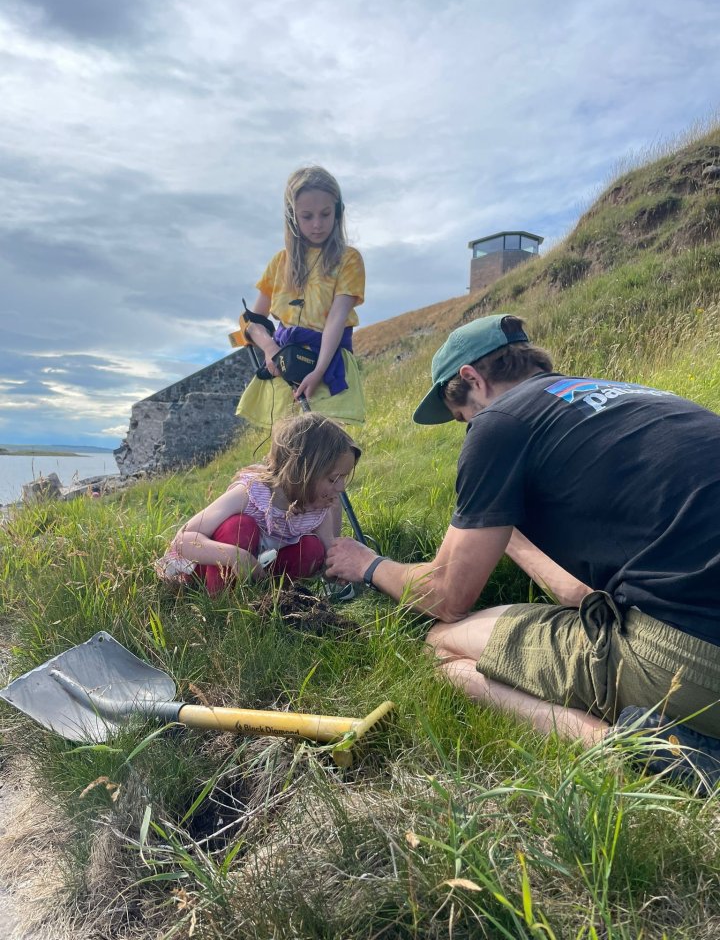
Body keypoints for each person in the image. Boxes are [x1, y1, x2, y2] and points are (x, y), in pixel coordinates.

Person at [325, 313, 720, 787]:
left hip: (695, 660)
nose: (467, 427)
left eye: (460, 416)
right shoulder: (635, 397)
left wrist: (367, 564)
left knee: (440, 648)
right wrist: (502, 528)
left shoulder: (499, 424)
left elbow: (446, 596)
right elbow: (582, 592)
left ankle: (635, 750)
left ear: (472, 379)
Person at [155, 413, 360, 595]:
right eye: (333, 478)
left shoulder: (319, 505)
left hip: (261, 572)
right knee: (239, 526)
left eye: (343, 478)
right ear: (302, 472)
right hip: (209, 568)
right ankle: (222, 605)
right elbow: (182, 541)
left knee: (311, 548)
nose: (341, 487)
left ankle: (270, 598)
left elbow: (327, 552)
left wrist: (339, 568)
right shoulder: (251, 493)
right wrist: (237, 557)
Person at [231, 165, 366, 428]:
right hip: (285, 366)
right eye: (307, 216)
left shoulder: (349, 260)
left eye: (326, 214)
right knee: (287, 453)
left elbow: (336, 321)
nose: (317, 224)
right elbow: (252, 321)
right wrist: (270, 348)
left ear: (338, 213)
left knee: (328, 453)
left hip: (328, 365)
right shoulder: (279, 263)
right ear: (292, 217)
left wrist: (318, 372)